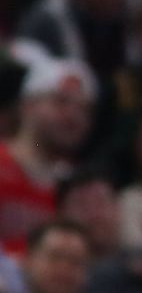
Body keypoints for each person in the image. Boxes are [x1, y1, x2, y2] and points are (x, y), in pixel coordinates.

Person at [0, 56, 97, 253]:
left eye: (84, 109)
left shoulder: (79, 190)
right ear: (27, 105)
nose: (73, 116)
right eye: (60, 102)